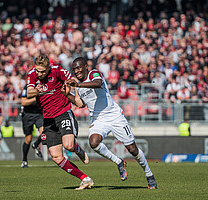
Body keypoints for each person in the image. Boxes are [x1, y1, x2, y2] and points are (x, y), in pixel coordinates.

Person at [62, 57, 157, 189]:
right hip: (98, 119)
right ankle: (119, 162)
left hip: (114, 116)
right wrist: (67, 94)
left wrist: (76, 85)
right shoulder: (79, 86)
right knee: (93, 142)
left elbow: (98, 83)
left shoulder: (94, 73)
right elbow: (81, 104)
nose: (76, 71)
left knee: (132, 149)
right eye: (74, 69)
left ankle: (149, 174)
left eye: (78, 68)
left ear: (86, 67)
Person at [27, 55, 94, 190]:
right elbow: (28, 93)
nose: (39, 74)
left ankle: (77, 149)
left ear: (48, 68)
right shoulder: (32, 74)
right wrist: (36, 91)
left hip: (63, 113)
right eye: (37, 71)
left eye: (42, 71)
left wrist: (75, 96)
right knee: (56, 157)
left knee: (68, 146)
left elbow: (74, 79)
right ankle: (85, 179)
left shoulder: (57, 70)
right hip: (48, 119)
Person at [20, 84, 44, 168]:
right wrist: (35, 97)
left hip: (38, 113)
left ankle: (36, 144)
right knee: (28, 138)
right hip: (28, 114)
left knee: (44, 132)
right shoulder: (27, 87)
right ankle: (24, 160)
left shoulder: (43, 85)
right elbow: (23, 102)